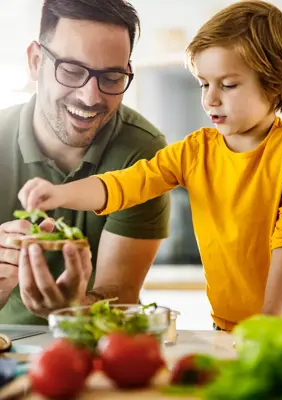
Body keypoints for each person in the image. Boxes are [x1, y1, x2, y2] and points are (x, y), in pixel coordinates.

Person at [19, 0, 282, 331]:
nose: (210, 99)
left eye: (228, 85)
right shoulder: (196, 150)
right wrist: (59, 194)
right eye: (204, 83)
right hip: (227, 325)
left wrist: (270, 318)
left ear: (275, 84)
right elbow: (126, 184)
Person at [0, 0, 170, 324]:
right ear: (36, 61)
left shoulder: (143, 153)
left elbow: (119, 297)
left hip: (93, 349)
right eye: (72, 70)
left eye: (111, 77)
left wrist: (77, 307)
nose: (91, 97)